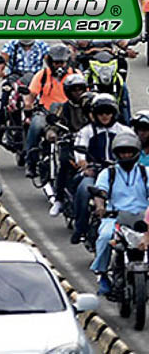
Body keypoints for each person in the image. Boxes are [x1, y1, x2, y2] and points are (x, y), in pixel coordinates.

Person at [89, 131, 149, 295]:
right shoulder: (108, 173)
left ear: (136, 152)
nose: (126, 155)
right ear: (116, 153)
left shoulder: (146, 173)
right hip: (115, 218)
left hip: (142, 220)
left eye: (129, 151)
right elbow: (100, 192)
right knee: (105, 237)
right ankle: (102, 274)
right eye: (122, 152)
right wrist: (100, 206)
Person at [70, 93, 131, 245]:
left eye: (108, 112)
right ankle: (80, 227)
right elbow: (79, 149)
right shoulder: (86, 131)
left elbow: (134, 149)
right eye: (100, 112)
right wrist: (83, 163)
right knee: (84, 190)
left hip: (119, 173)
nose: (104, 116)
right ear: (94, 114)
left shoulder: (124, 131)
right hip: (94, 173)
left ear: (114, 113)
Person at [0, 39, 50, 160]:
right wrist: (0, 71)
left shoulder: (42, 46)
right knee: (3, 109)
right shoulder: (11, 45)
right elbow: (3, 60)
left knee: (44, 107)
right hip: (15, 78)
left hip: (34, 80)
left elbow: (49, 61)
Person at [23, 44, 79, 179]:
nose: (59, 66)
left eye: (62, 62)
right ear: (50, 62)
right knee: (35, 127)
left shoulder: (76, 75)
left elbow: (84, 95)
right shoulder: (42, 75)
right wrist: (28, 107)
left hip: (68, 114)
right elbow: (31, 95)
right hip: (46, 113)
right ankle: (30, 162)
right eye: (56, 62)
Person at [48, 73, 90, 217]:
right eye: (74, 90)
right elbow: (54, 125)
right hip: (71, 143)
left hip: (90, 144)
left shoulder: (92, 106)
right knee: (65, 163)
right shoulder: (64, 108)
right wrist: (53, 133)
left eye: (80, 89)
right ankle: (58, 200)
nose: (78, 93)